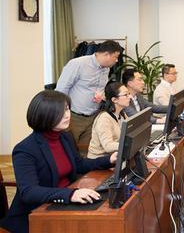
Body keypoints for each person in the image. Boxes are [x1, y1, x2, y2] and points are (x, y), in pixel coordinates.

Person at [0, 91, 116, 233]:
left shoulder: (65, 137)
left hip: (64, 202)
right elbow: (29, 192)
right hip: (34, 214)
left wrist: (109, 160)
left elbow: (79, 164)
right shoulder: (25, 149)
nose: (67, 115)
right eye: (60, 111)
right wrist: (70, 194)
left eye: (67, 109)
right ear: (45, 115)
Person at [55, 40, 123, 148]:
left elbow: (101, 89)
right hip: (74, 116)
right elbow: (61, 89)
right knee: (68, 149)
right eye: (115, 57)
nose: (117, 60)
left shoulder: (106, 69)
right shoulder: (78, 64)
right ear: (106, 54)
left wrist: (102, 97)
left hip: (93, 116)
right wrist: (62, 113)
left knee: (86, 151)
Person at [87, 82, 130, 159]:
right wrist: (129, 144)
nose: (129, 97)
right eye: (126, 94)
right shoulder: (104, 118)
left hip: (116, 156)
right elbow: (108, 146)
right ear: (114, 99)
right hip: (100, 160)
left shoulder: (122, 114)